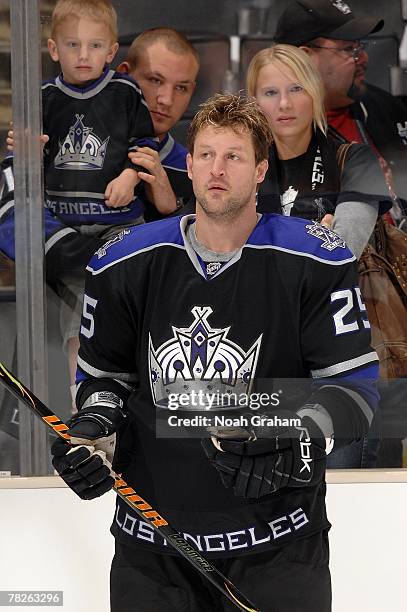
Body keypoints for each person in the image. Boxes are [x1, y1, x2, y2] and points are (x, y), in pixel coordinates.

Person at [51, 93, 379, 612]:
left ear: (260, 170)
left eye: (234, 156)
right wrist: (90, 435)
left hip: (280, 546)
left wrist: (293, 433)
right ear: (190, 164)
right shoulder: (123, 260)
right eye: (205, 154)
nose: (217, 169)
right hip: (154, 549)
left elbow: (355, 392)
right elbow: (104, 382)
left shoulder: (313, 257)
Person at [246, 43, 392, 260]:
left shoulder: (357, 162)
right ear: (255, 102)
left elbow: (342, 255)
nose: (284, 103)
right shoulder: (242, 166)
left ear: (315, 92)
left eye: (296, 88)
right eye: (271, 92)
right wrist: (318, 239)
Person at [273, 0, 407, 223]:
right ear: (306, 58)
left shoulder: (384, 107)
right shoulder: (263, 133)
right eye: (349, 49)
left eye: (360, 47)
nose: (363, 58)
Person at [116, 27, 200, 221]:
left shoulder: (195, 172)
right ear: (124, 76)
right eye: (155, 80)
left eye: (181, 88)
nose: (167, 100)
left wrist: (173, 211)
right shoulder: (84, 147)